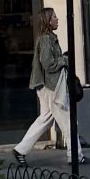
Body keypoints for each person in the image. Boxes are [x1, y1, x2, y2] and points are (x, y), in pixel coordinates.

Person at [14, 8, 69, 156]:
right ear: (48, 21)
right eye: (54, 17)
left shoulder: (47, 38)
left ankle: (20, 150)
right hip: (50, 85)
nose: (57, 19)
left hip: (46, 85)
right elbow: (48, 64)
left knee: (45, 119)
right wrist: (64, 60)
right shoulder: (46, 39)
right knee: (66, 119)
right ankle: (76, 154)